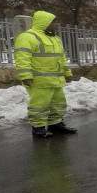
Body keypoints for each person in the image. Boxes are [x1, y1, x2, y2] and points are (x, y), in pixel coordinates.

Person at [14, 10, 77, 138]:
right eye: (54, 22)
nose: (57, 24)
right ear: (45, 22)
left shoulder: (56, 39)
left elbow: (62, 57)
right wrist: (25, 76)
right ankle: (38, 128)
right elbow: (22, 58)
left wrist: (67, 72)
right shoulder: (28, 37)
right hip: (39, 81)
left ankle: (56, 124)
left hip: (56, 80)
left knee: (58, 103)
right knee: (39, 105)